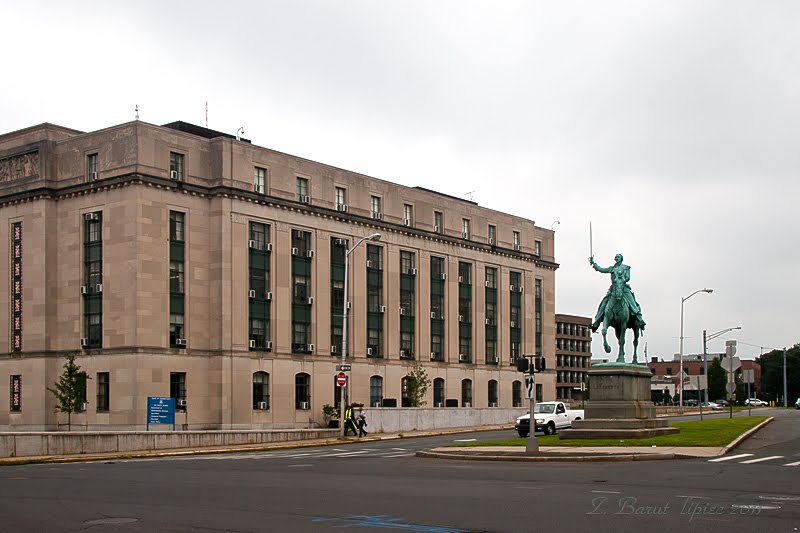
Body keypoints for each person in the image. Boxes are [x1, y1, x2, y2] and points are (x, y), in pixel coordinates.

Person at [588, 253, 646, 332]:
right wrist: (594, 263)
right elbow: (601, 269)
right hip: (614, 289)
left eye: (618, 257)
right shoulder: (612, 268)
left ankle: (640, 320)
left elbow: (628, 278)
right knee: (604, 303)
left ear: (621, 259)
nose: (617, 258)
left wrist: (622, 279)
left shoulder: (626, 268)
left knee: (632, 303)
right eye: (616, 257)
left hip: (623, 288)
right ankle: (596, 322)